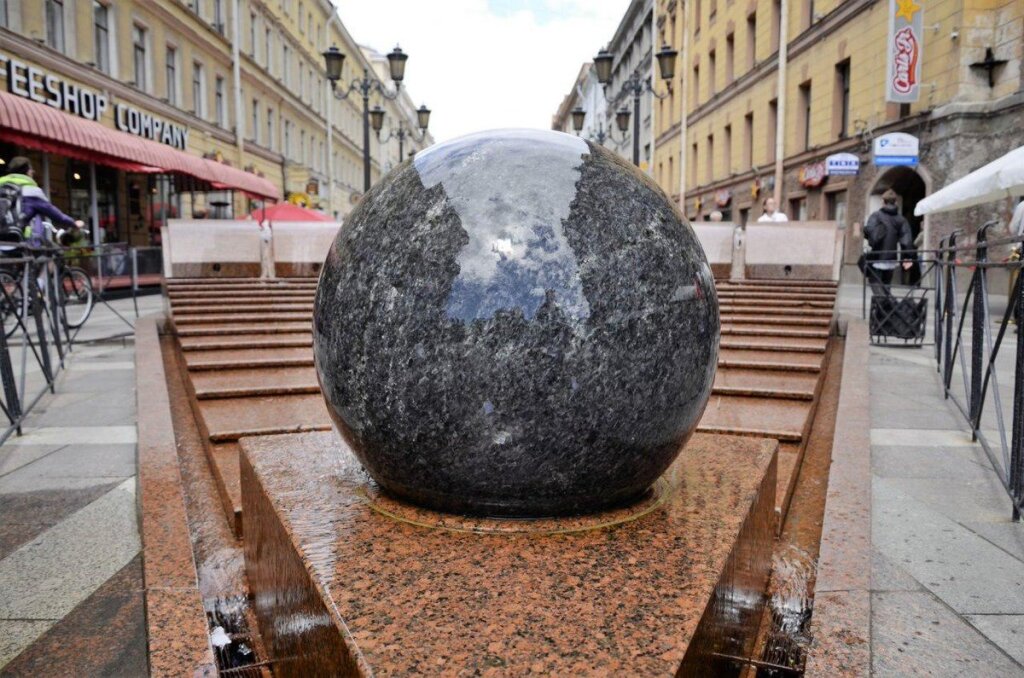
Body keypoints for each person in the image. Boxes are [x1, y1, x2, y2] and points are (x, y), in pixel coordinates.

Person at [0, 156, 83, 247]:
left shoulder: (2, 187)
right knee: (47, 249)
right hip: (18, 241)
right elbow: (57, 215)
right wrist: (74, 223)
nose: (33, 172)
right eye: (31, 169)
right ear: (27, 172)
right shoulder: (31, 191)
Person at [861, 189, 914, 296]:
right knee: (886, 285)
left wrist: (866, 232)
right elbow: (906, 240)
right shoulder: (901, 219)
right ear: (896, 202)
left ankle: (883, 303)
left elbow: (869, 232)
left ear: (883, 201)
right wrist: (907, 256)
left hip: (877, 257)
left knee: (875, 282)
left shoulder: (876, 216)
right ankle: (886, 304)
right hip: (891, 259)